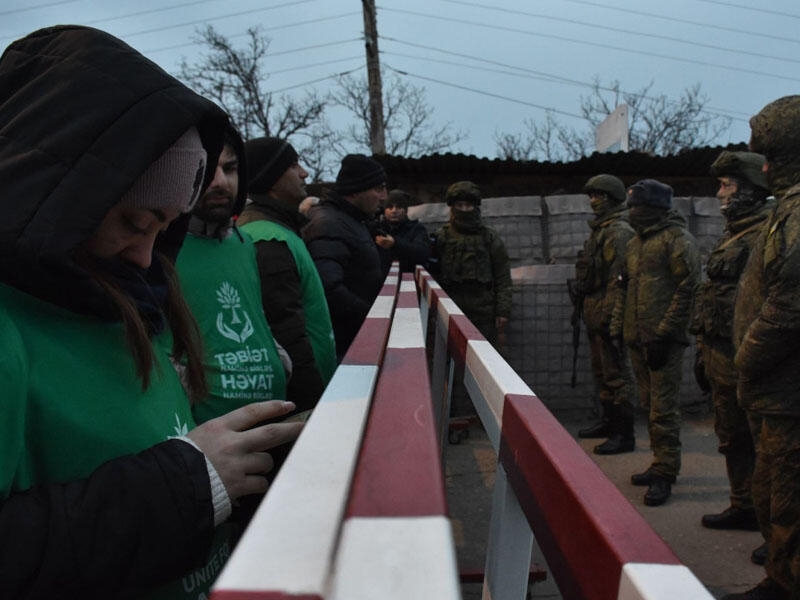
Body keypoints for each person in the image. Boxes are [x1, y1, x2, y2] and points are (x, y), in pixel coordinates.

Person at [0, 26, 302, 599]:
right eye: (134, 223)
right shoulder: (9, 325)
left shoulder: (122, 296)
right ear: (58, 195)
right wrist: (187, 484)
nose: (146, 255)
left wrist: (238, 460)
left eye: (165, 227)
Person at [723, 95, 800, 600]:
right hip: (778, 391)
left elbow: (791, 304)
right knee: (774, 494)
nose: (763, 167)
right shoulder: (787, 211)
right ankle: (779, 580)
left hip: (788, 393)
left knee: (789, 501)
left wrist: (746, 358)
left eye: (769, 156)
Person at [174, 126, 289, 424]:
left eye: (230, 168)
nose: (221, 182)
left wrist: (278, 361)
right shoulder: (158, 249)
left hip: (270, 421)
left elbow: (253, 316)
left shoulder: (244, 244)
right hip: (211, 438)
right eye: (207, 169)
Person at [690, 152, 772, 539]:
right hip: (721, 352)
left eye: (727, 185)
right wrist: (701, 347)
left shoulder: (765, 234)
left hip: (751, 358)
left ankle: (777, 534)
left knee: (765, 446)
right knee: (733, 437)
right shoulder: (734, 233)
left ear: (752, 190)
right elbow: (712, 293)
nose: (719, 193)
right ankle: (745, 507)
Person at [610, 179, 700, 507]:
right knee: (649, 408)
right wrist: (618, 328)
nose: (631, 213)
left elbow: (689, 287)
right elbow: (624, 286)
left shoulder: (677, 240)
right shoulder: (635, 244)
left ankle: (665, 474)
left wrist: (666, 332)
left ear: (654, 209)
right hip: (638, 339)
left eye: (636, 207)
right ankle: (659, 463)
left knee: (663, 410)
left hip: (662, 341)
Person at [237, 136, 337, 411]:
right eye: (294, 165)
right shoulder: (267, 238)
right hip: (302, 401)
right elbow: (285, 330)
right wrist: (311, 405)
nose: (304, 173)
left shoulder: (278, 228)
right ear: (271, 177)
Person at [573, 175, 637, 455]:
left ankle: (624, 434)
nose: (593, 201)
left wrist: (613, 318)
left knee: (616, 374)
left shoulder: (619, 231)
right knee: (601, 372)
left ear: (611, 199)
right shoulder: (600, 230)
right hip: (594, 312)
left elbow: (619, 279)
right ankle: (608, 422)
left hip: (608, 313)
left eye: (598, 196)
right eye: (592, 196)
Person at [302, 154, 387, 359]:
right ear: (356, 191)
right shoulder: (330, 224)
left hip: (355, 340)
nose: (384, 196)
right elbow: (328, 288)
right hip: (344, 347)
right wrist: (373, 319)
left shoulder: (352, 221)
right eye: (378, 189)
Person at [433, 181, 512, 348]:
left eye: (468, 206)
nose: (463, 210)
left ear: (475, 207)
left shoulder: (489, 238)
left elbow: (503, 276)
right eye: (459, 205)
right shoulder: (441, 237)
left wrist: (502, 311)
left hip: (483, 312)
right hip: (450, 309)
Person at [374, 188, 431, 275]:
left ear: (405, 210)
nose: (394, 211)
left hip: (408, 281)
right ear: (384, 210)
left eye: (399, 207)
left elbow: (422, 253)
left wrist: (395, 244)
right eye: (390, 207)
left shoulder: (416, 229)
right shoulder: (377, 228)